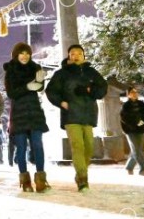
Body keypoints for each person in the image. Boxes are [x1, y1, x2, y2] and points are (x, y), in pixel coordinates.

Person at [46, 44, 108, 192]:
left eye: (79, 53)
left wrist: (89, 89)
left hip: (88, 114)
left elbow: (102, 88)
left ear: (84, 56)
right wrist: (61, 102)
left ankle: (80, 172)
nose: (76, 56)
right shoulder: (62, 73)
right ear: (69, 56)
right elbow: (51, 91)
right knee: (78, 145)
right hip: (71, 115)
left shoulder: (91, 72)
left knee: (89, 147)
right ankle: (82, 179)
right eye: (72, 53)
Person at [4, 42, 50, 192]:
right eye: (21, 53)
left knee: (38, 145)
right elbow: (11, 93)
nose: (24, 56)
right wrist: (27, 87)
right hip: (19, 113)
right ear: (16, 55)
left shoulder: (35, 68)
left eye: (27, 53)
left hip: (34, 111)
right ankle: (25, 181)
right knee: (22, 147)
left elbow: (40, 87)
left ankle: (41, 180)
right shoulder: (11, 70)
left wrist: (40, 80)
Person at [120, 86, 144, 176]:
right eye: (132, 92)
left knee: (137, 150)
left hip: (140, 130)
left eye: (135, 92)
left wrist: (140, 124)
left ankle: (129, 167)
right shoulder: (126, 105)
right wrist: (131, 126)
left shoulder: (141, 104)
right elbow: (123, 119)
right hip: (130, 131)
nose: (134, 94)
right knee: (136, 150)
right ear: (128, 95)